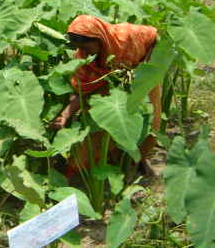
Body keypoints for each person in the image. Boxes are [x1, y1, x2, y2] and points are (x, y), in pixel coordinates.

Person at [50, 15, 161, 175]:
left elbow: (154, 36)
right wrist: (65, 114)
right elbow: (81, 91)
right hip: (111, 92)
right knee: (108, 125)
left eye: (87, 48)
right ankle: (112, 160)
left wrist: (144, 67)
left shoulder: (127, 36)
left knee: (148, 124)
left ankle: (138, 160)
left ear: (100, 39)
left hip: (143, 79)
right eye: (79, 48)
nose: (84, 53)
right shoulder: (82, 59)